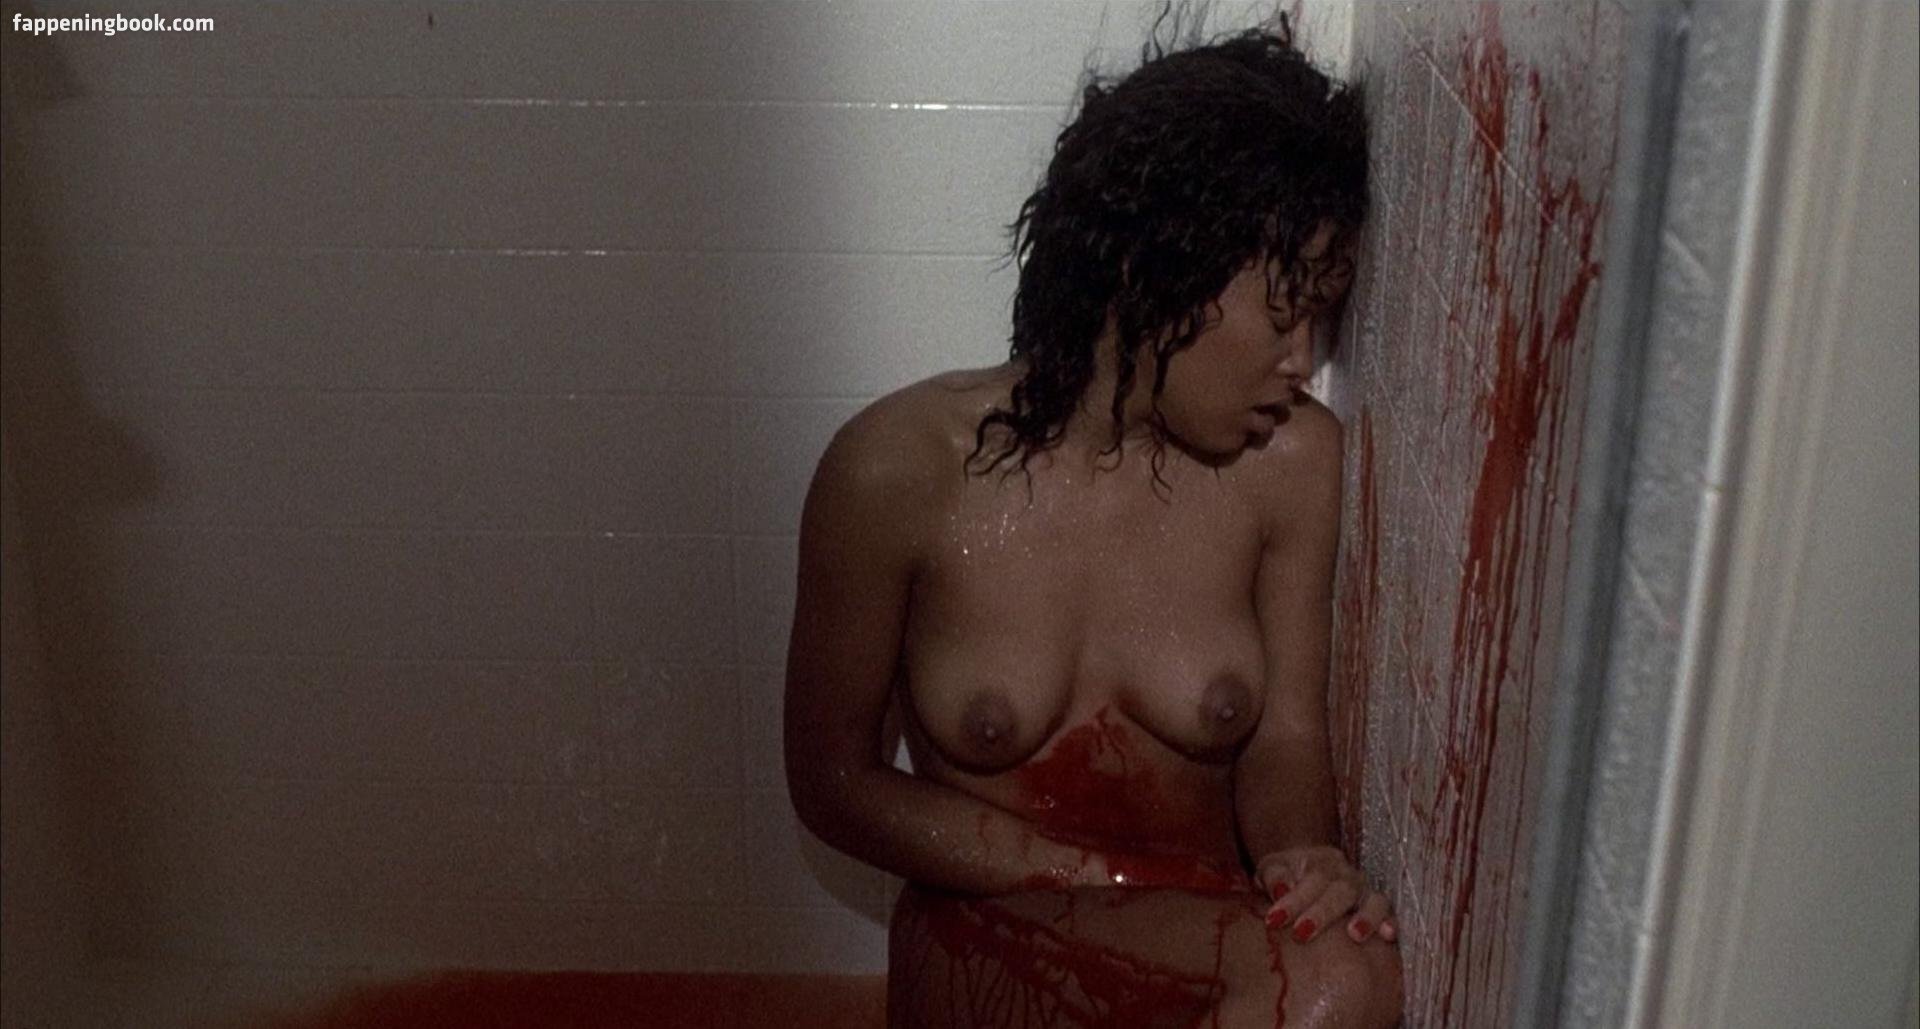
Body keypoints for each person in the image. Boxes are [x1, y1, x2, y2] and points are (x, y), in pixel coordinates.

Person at [784, 8, 1403, 1026]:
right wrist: (1073, 870)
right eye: (1284, 315)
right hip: (985, 932)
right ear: (1155, 272)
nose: (1302, 362)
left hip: (1200, 939)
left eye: (1319, 321)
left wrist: (1305, 863)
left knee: (1346, 967)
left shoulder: (1293, 465)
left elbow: (1287, 737)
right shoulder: (895, 473)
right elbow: (833, 782)